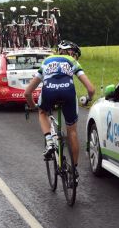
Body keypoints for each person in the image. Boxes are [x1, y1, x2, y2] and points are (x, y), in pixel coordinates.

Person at [24, 40, 95, 182]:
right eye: (75, 55)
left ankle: (49, 141)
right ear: (71, 53)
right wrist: (87, 99)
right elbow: (91, 89)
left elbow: (27, 92)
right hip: (68, 92)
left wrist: (33, 106)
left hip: (49, 91)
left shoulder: (47, 61)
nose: (75, 57)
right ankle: (73, 171)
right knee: (72, 132)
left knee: (43, 113)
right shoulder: (71, 61)